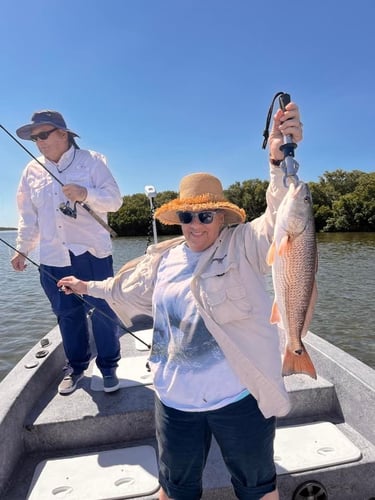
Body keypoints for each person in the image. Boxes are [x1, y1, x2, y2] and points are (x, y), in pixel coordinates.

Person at [57, 102, 303, 499]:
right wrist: (84, 286)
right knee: (173, 491)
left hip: (240, 400)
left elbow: (281, 218)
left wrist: (278, 159)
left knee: (259, 491)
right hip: (175, 403)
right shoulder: (162, 259)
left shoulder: (245, 245)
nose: (196, 225)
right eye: (188, 216)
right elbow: (121, 289)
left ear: (223, 218)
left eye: (206, 217)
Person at [11, 110, 123, 395]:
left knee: (102, 310)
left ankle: (109, 367)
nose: (39, 142)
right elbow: (28, 216)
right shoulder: (31, 170)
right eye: (35, 137)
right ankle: (76, 367)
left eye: (44, 134)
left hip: (92, 254)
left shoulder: (93, 161)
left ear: (64, 133)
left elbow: (115, 201)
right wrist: (23, 249)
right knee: (66, 314)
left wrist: (86, 194)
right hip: (51, 257)